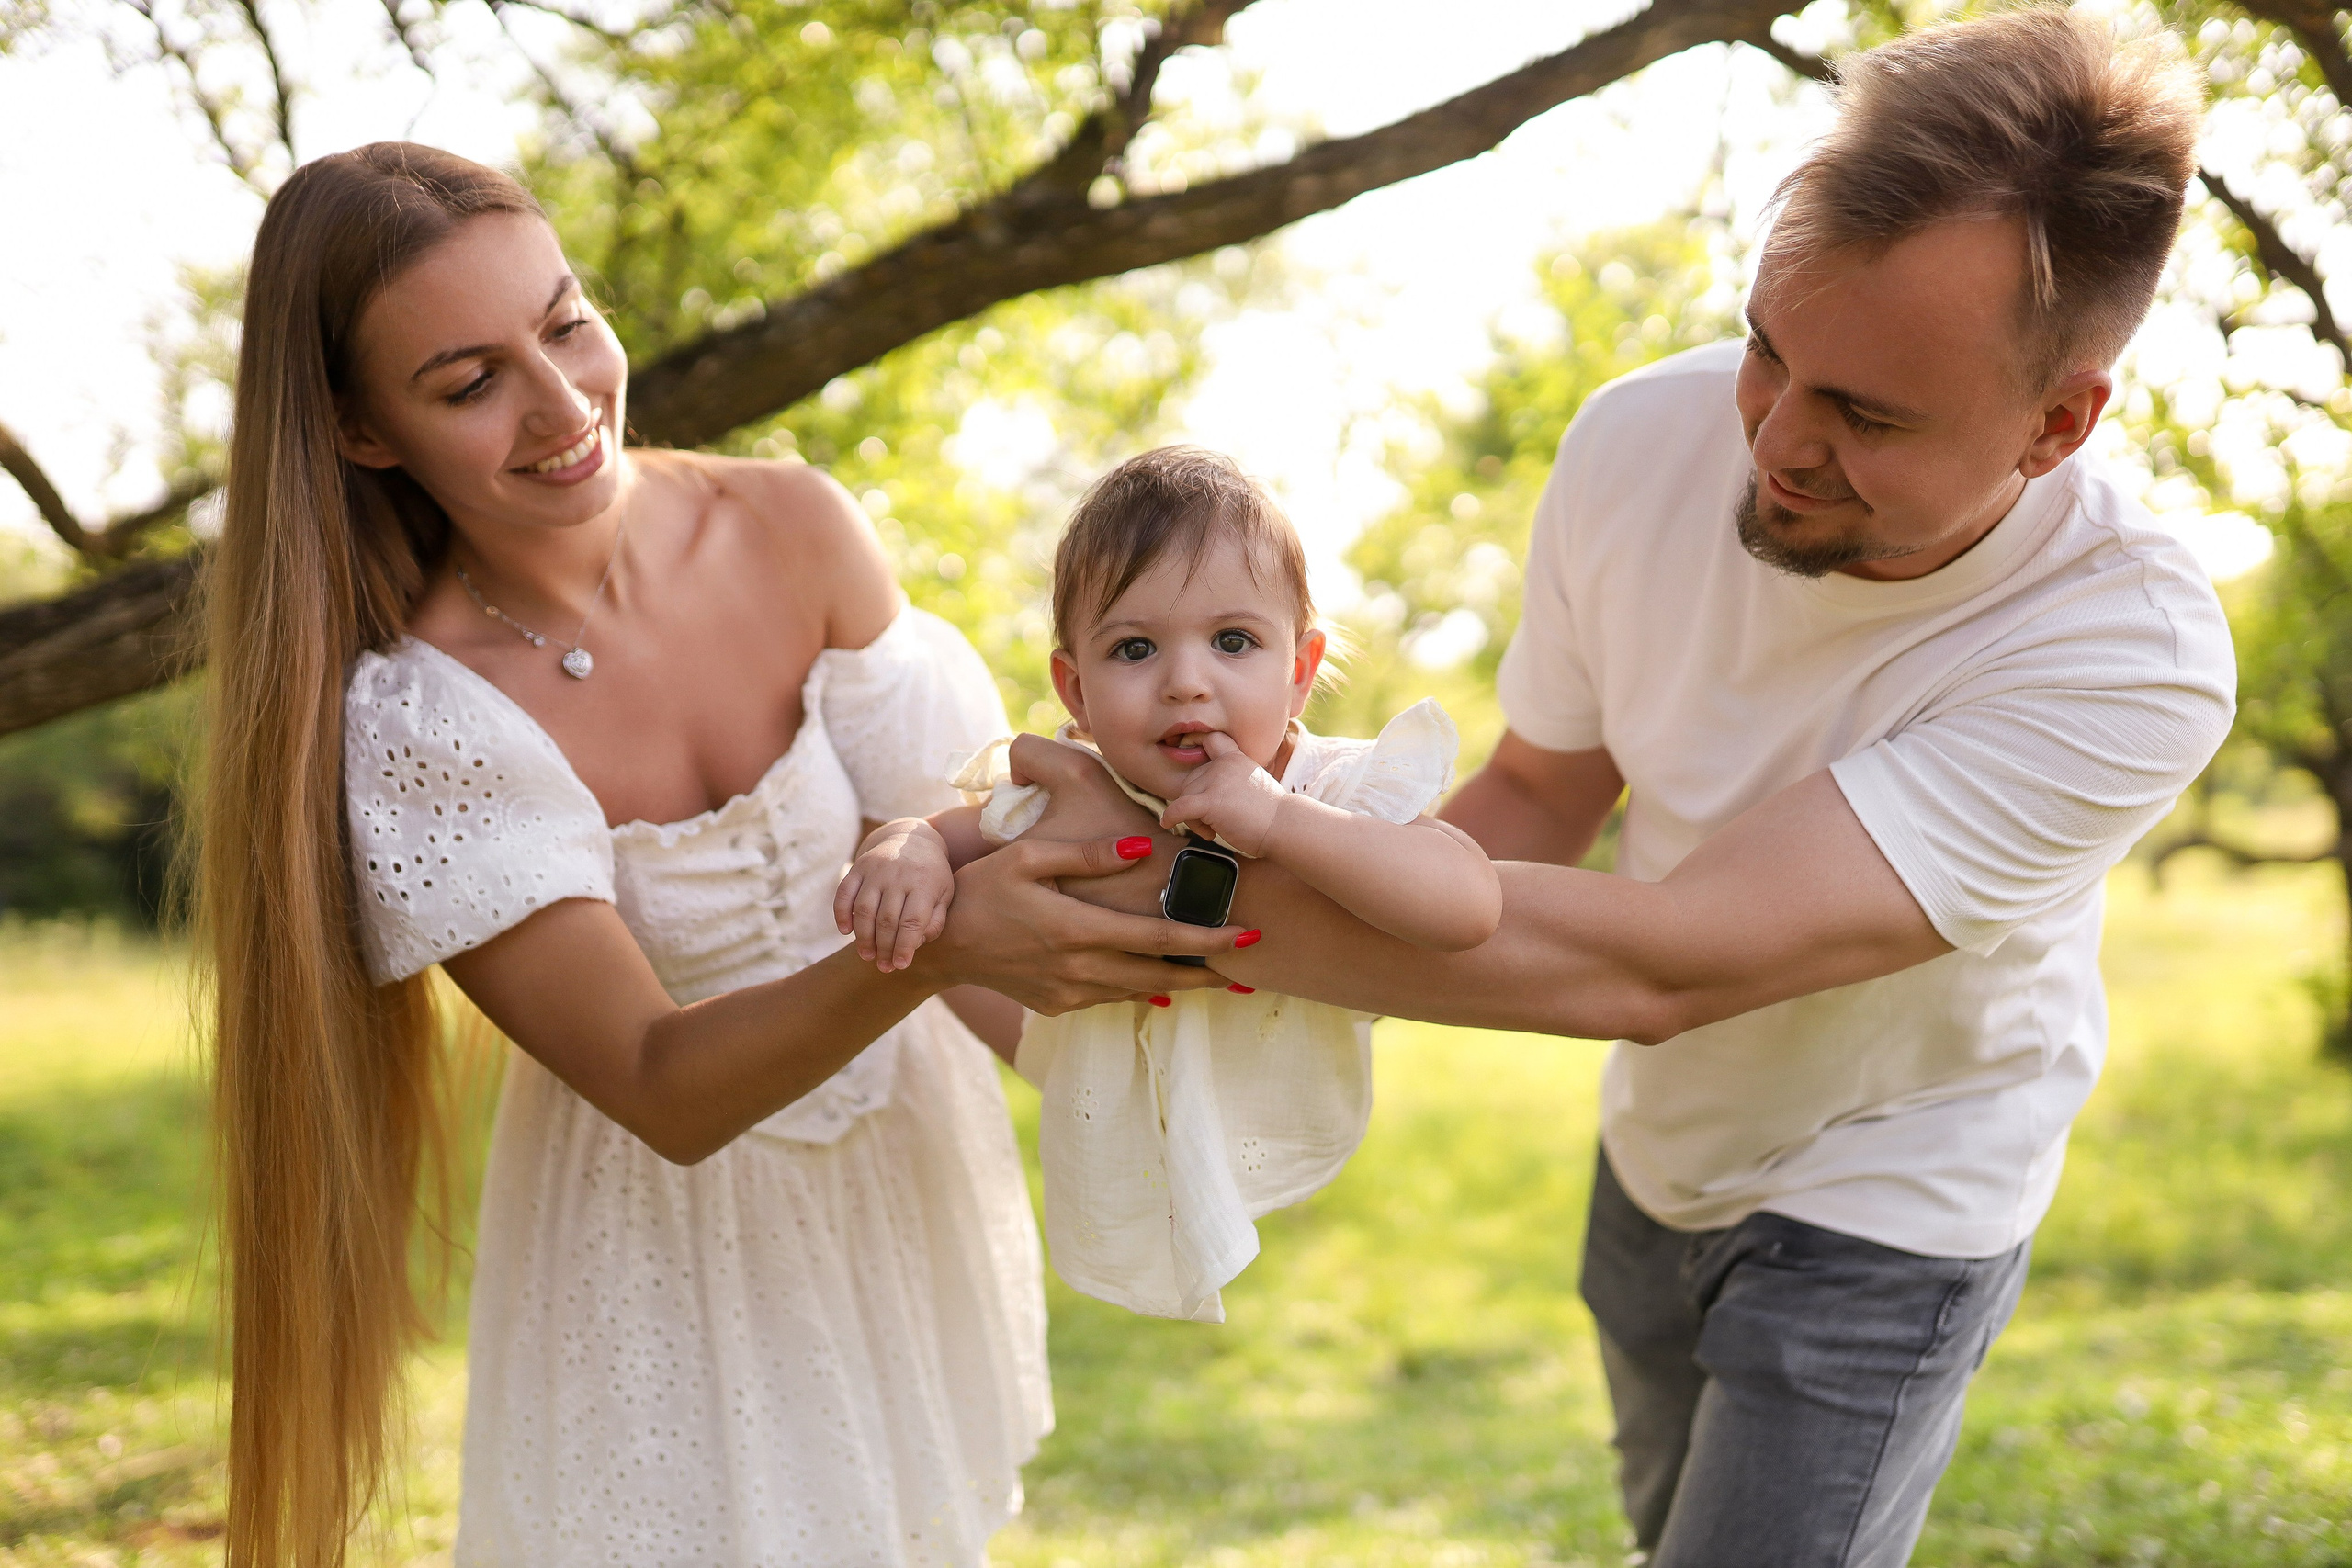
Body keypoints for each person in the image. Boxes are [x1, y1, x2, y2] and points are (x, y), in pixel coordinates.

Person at [989, 12, 2235, 1564]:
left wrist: (1147, 914)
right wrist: (1224, 872)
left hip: (1897, 1180)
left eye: (1870, 414)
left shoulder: (2127, 651)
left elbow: (1661, 961)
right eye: (1773, 352)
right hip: (1654, 1159)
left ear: (2059, 422)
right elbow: (1530, 799)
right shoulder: (1639, 440)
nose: (1777, 441)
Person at [198, 142, 1244, 1568]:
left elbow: (1003, 889)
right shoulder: (419, 713)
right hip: (664, 1255)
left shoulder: (791, 523)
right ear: (365, 430)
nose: (564, 403)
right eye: (469, 381)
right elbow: (659, 1084)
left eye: (565, 322)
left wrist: (1175, 1071)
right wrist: (938, 938)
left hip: (900, 1184)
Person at [838, 446, 1498, 1322]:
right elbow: (939, 835)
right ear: (1073, 686)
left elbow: (1468, 904)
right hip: (1132, 1110)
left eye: (1234, 642)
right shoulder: (1071, 795)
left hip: (1278, 1093)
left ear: (1299, 671)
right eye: (1136, 648)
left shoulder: (1328, 790)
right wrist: (903, 849)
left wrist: (1276, 823)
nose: (1187, 682)